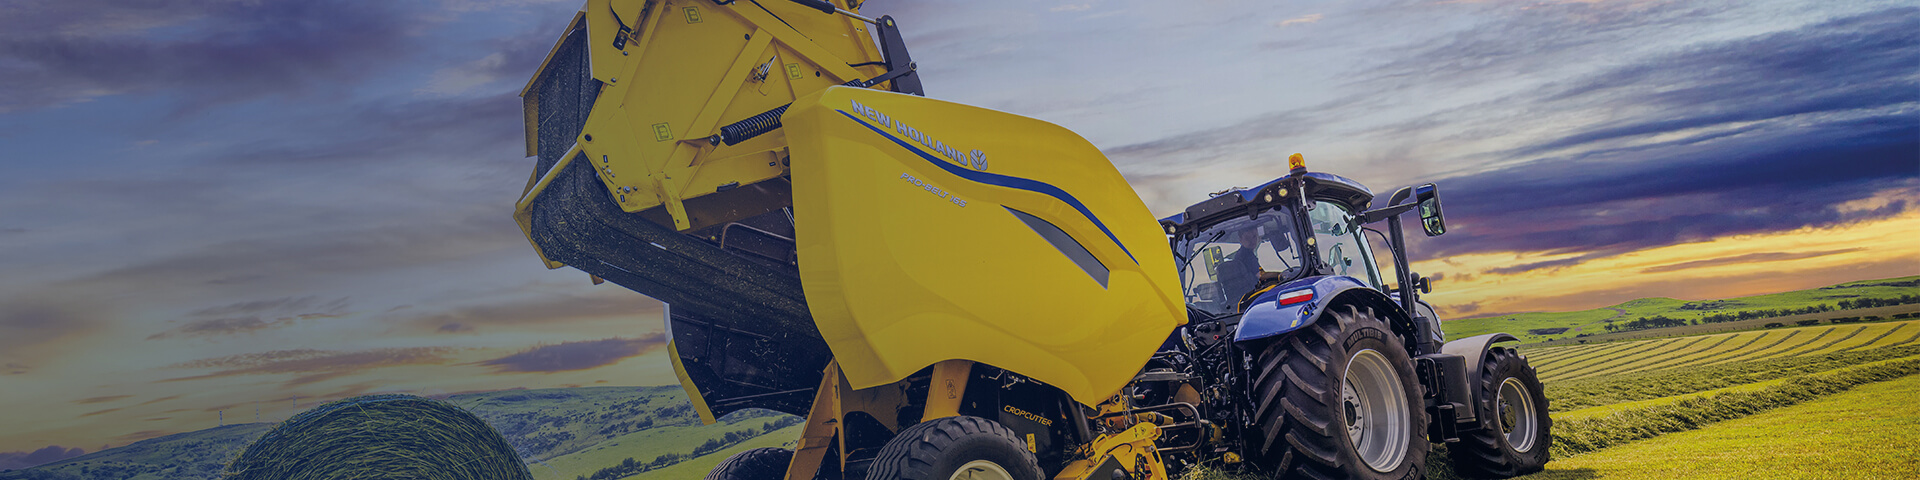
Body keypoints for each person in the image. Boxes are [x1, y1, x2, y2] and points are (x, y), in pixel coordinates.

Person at [1215, 228, 1264, 303]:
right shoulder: (1247, 256)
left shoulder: (1240, 254)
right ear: (1240, 239)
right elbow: (1261, 276)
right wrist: (1279, 275)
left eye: (1254, 237)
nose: (1252, 241)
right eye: (1247, 238)